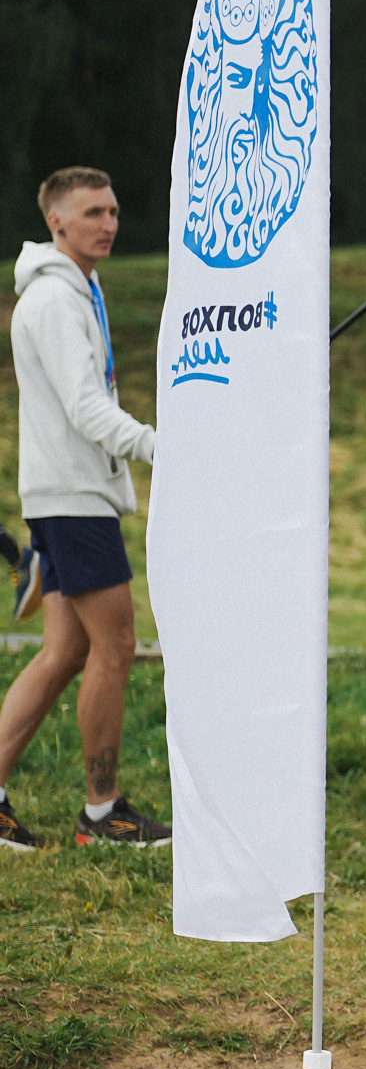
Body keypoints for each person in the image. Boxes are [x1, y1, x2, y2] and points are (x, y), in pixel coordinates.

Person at [0, 168, 171, 852]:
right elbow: (85, 406)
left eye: (114, 210)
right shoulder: (54, 300)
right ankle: (103, 815)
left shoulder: (81, 289)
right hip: (72, 500)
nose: (108, 223)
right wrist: (160, 447)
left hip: (68, 494)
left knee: (68, 649)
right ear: (57, 223)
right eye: (93, 212)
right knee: (117, 644)